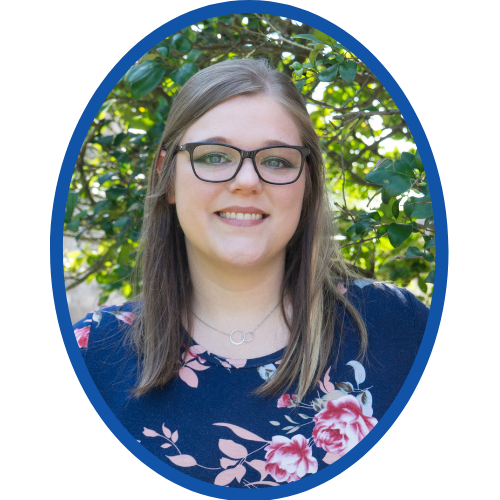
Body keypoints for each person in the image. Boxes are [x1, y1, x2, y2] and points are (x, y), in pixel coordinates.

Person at [72, 58, 429, 488]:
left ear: (307, 182)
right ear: (167, 176)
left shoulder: (402, 329)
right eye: (214, 156)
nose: (247, 181)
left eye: (276, 161)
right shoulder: (91, 355)